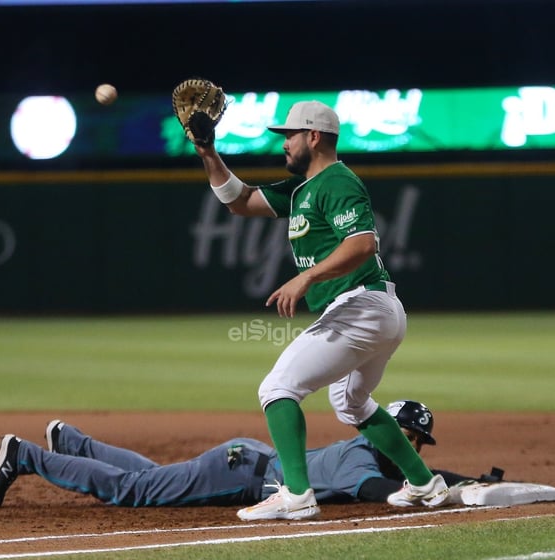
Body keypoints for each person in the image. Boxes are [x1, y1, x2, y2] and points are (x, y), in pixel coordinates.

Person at [189, 100, 450, 520]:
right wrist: (207, 151)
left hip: (361, 305)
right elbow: (238, 201)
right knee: (351, 402)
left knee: (277, 388)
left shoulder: (337, 182)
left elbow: (364, 244)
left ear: (313, 136)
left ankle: (296, 494)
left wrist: (306, 278)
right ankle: (424, 484)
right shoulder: (300, 191)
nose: (284, 145)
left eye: (289, 136)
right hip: (378, 309)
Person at [0, 400, 493, 510]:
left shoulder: (373, 450)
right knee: (134, 492)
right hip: (243, 471)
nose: (416, 453)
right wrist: (445, 495)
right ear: (396, 435)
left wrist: (468, 479)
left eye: (420, 448)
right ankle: (26, 455)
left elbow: (419, 475)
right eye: (413, 442)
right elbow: (391, 491)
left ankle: (73, 444)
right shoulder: (361, 463)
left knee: (156, 478)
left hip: (247, 459)